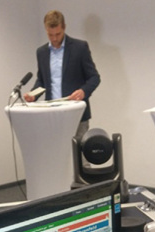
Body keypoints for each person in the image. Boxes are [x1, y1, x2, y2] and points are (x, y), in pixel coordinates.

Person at [23, 10, 101, 139]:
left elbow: (94, 77)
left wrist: (83, 91)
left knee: (77, 151)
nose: (54, 38)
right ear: (46, 30)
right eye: (50, 35)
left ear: (64, 27)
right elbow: (42, 80)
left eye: (58, 34)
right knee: (54, 150)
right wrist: (33, 95)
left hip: (76, 113)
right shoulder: (41, 52)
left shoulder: (79, 47)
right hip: (51, 114)